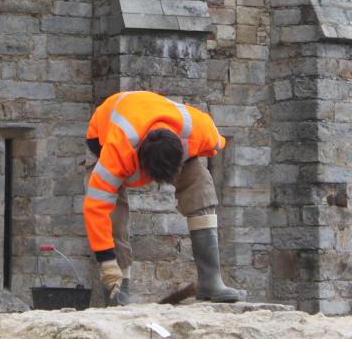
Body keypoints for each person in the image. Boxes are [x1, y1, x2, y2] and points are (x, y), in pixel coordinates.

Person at [83, 89, 240, 305]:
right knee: (114, 218)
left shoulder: (199, 132)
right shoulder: (117, 151)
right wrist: (106, 260)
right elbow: (95, 207)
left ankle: (210, 281)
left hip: (164, 133)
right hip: (102, 135)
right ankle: (117, 293)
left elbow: (216, 145)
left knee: (200, 183)